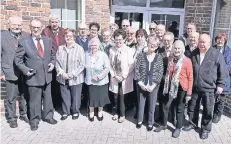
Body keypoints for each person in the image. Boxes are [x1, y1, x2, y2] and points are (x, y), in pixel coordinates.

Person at [14, 19, 57, 131]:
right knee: (34, 101)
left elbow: (53, 56)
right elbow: (18, 60)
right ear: (30, 27)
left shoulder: (48, 40)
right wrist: (25, 70)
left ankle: (48, 116)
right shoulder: (24, 42)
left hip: (47, 76)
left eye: (38, 27)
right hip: (33, 76)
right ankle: (34, 120)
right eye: (34, 27)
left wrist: (52, 63)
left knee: (48, 99)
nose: (36, 29)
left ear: (42, 27)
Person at [183, 34, 226, 139]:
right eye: (200, 42)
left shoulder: (216, 55)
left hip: (209, 88)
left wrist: (220, 85)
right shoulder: (193, 53)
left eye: (204, 42)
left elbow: (223, 71)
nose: (201, 44)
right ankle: (192, 123)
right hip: (195, 87)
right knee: (192, 107)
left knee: (208, 109)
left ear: (209, 43)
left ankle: (205, 129)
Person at [154, 40, 193, 138]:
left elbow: (190, 78)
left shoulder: (187, 61)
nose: (177, 50)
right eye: (175, 48)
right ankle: (163, 124)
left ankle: (178, 128)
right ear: (172, 49)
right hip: (169, 87)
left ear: (183, 49)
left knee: (179, 108)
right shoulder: (169, 59)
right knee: (165, 106)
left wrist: (189, 93)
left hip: (181, 88)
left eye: (179, 48)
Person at [0, 16, 29, 128]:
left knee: (24, 95)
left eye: (19, 25)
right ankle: (12, 118)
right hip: (9, 72)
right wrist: (1, 73)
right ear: (9, 25)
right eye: (14, 24)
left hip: (24, 72)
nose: (17, 27)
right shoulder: (2, 36)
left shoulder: (26, 36)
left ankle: (24, 114)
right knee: (11, 97)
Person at [135, 36, 164, 131]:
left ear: (157, 47)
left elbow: (160, 72)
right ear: (147, 43)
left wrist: (153, 85)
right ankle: (139, 121)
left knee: (152, 105)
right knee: (141, 104)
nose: (152, 46)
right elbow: (136, 70)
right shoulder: (140, 55)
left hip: (153, 86)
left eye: (154, 45)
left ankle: (150, 123)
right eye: (150, 43)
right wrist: (141, 84)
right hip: (141, 85)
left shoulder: (159, 57)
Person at [55, 28, 85, 121]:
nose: (68, 38)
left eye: (70, 36)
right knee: (65, 96)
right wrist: (62, 73)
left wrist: (73, 73)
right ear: (64, 37)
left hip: (76, 78)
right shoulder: (60, 48)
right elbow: (57, 62)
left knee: (76, 97)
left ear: (74, 37)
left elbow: (82, 64)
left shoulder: (79, 49)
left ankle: (75, 112)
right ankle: (65, 112)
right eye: (66, 36)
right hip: (63, 77)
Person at [109, 29, 134, 123]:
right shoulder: (112, 50)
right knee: (115, 96)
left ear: (124, 39)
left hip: (124, 77)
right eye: (116, 39)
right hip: (115, 77)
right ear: (114, 39)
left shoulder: (128, 50)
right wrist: (114, 75)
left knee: (122, 96)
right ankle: (115, 113)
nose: (118, 41)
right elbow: (110, 64)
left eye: (120, 39)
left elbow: (131, 65)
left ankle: (122, 114)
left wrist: (123, 76)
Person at [42, 14, 66, 109]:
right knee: (52, 83)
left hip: (62, 59)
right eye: (52, 22)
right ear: (49, 22)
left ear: (59, 22)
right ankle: (53, 104)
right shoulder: (45, 31)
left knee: (61, 81)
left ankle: (61, 103)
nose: (54, 24)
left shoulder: (63, 31)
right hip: (50, 59)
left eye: (56, 22)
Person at [85, 38, 110, 122]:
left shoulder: (103, 55)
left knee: (100, 97)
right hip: (90, 80)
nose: (93, 47)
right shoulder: (86, 54)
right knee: (91, 97)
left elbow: (107, 68)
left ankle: (100, 111)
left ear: (99, 45)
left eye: (95, 45)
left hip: (101, 81)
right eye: (91, 45)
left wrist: (99, 76)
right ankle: (91, 112)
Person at [155, 32, 175, 124]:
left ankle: (172, 118)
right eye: (165, 40)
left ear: (172, 41)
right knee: (161, 100)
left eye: (168, 40)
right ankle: (161, 117)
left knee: (171, 101)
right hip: (161, 80)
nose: (166, 42)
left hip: (172, 81)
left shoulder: (176, 51)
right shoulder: (159, 51)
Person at [212, 33, 231, 123]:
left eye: (222, 40)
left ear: (225, 42)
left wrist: (217, 71)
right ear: (216, 40)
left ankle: (218, 114)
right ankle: (212, 112)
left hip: (223, 79)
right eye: (218, 39)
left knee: (221, 98)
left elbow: (227, 66)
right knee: (213, 96)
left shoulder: (227, 51)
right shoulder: (212, 49)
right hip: (213, 78)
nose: (220, 41)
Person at [132, 29, 148, 118]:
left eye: (142, 36)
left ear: (145, 37)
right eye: (138, 36)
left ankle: (143, 113)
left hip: (144, 76)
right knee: (136, 96)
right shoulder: (134, 47)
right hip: (135, 75)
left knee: (143, 96)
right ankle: (138, 111)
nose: (140, 38)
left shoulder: (147, 48)